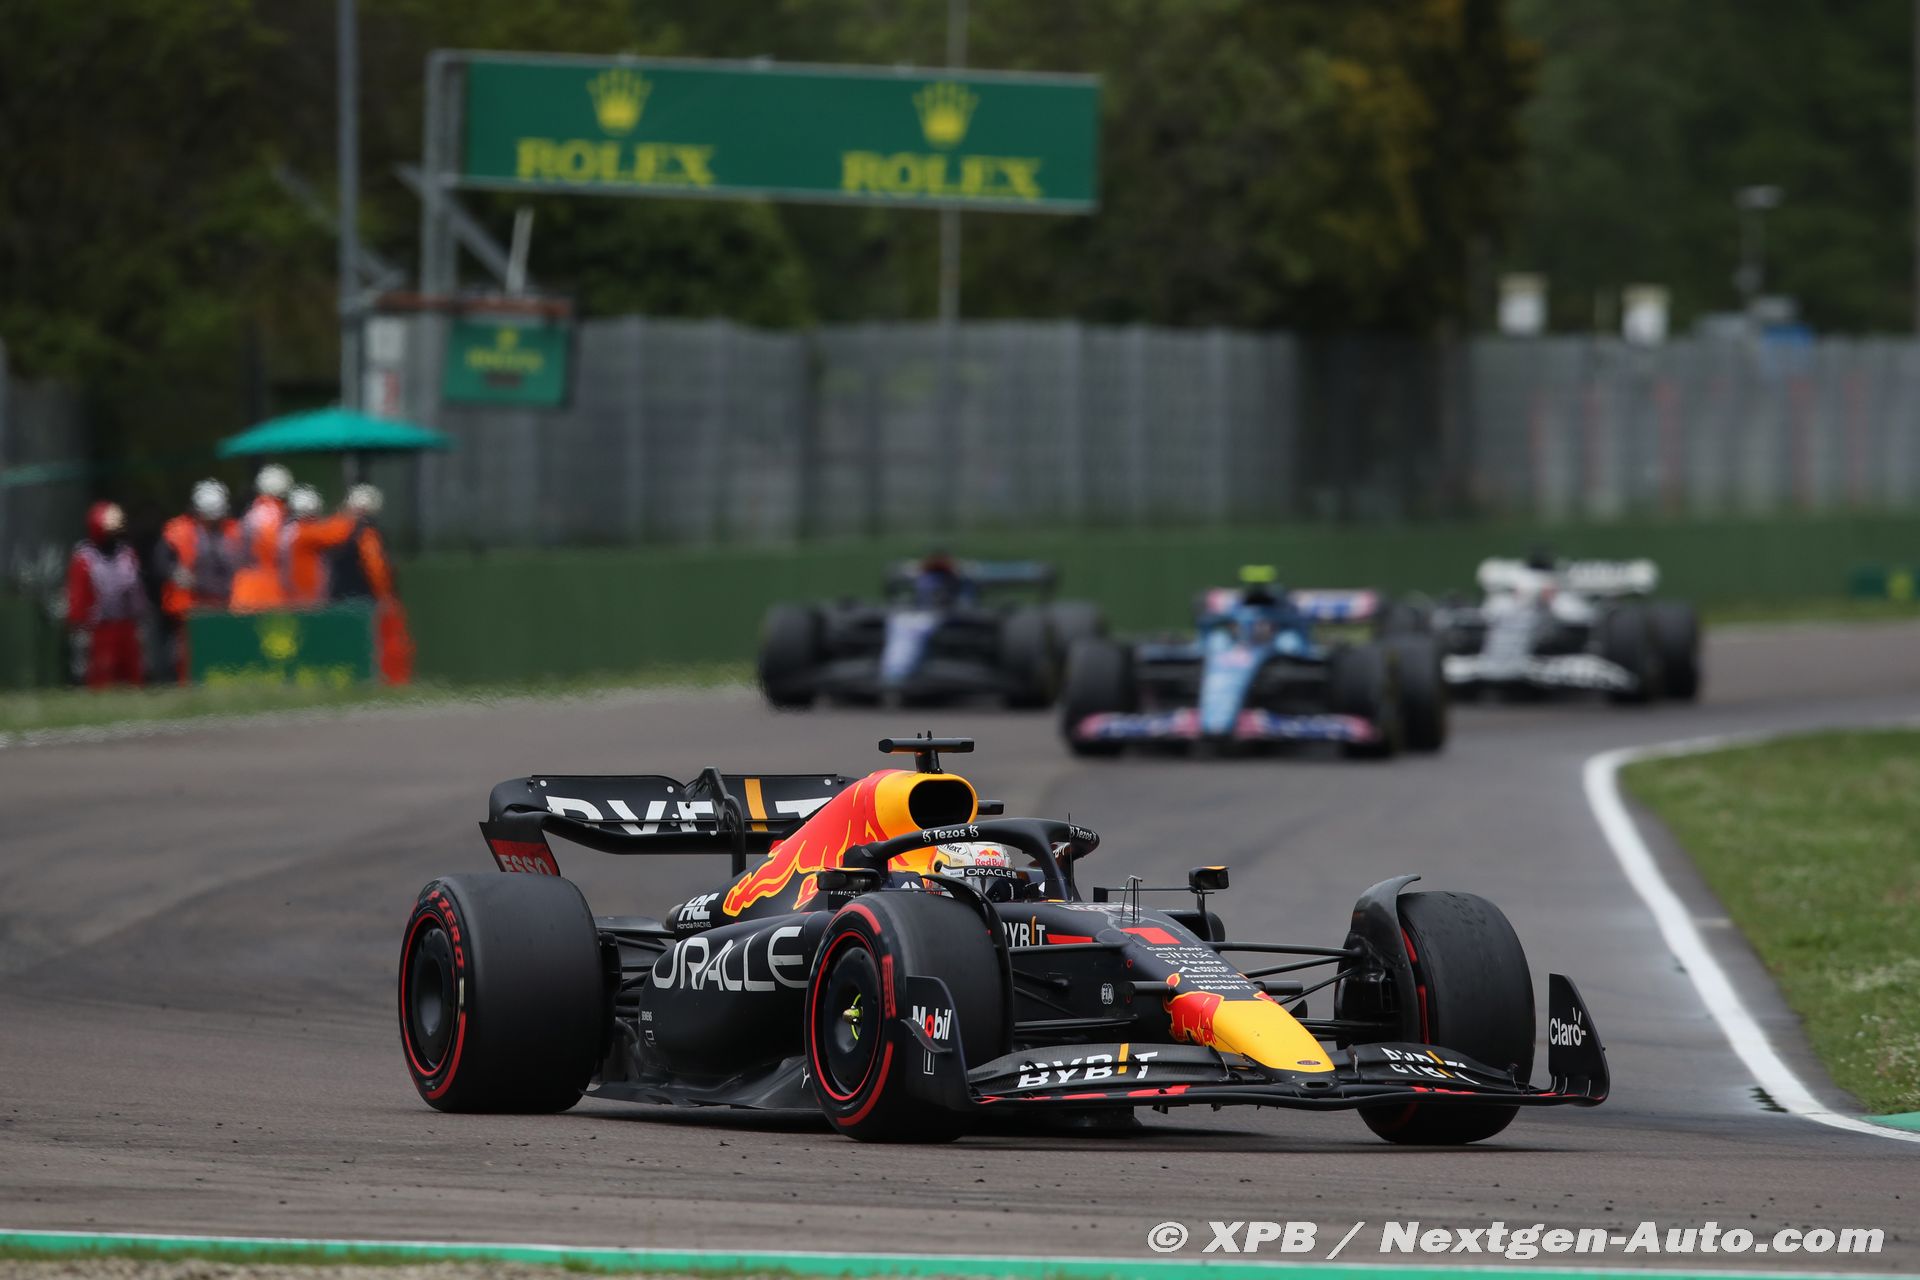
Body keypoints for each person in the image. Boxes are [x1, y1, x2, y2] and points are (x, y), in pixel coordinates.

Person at [153, 479, 240, 680]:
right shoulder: (178, 530)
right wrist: (175, 573)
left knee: (227, 654)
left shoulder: (235, 530)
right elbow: (160, 561)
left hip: (227, 604)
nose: (211, 522)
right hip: (192, 607)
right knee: (187, 656)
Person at [328, 483, 413, 683]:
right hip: (364, 599)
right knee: (373, 644)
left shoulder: (334, 529)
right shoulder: (367, 533)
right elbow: (376, 568)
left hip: (337, 597)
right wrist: (385, 595)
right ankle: (377, 680)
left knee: (344, 644)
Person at [67, 501, 148, 688]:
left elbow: (137, 590)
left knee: (133, 677)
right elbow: (78, 596)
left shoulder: (126, 554)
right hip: (99, 628)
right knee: (102, 677)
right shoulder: (85, 558)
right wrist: (80, 626)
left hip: (127, 624)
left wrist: (140, 616)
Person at [229, 463, 293, 612]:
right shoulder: (271, 512)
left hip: (244, 586)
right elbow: (275, 548)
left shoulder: (252, 512)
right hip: (265, 588)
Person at [274, 484, 349, 607]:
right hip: (307, 595)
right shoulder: (305, 533)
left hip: (292, 590)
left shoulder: (290, 530)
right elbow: (336, 535)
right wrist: (348, 515)